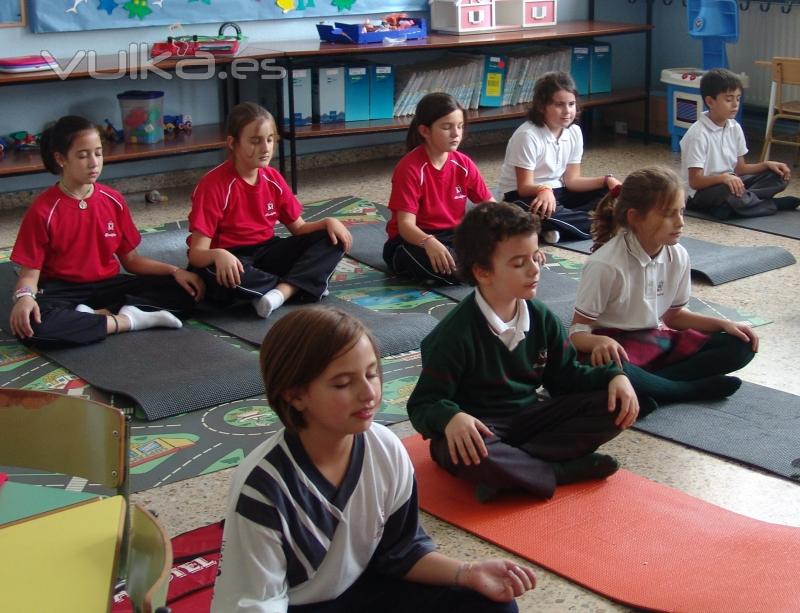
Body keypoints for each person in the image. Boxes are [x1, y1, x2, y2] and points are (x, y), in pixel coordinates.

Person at [211, 307, 537, 613]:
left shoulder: (384, 448)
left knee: (487, 602)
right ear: (295, 395)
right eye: (343, 383)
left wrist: (468, 572)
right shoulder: (263, 486)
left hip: (366, 588)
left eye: (372, 374)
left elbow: (401, 551)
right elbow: (254, 603)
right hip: (300, 606)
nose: (368, 393)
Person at [406, 202, 646, 504]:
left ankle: (515, 473)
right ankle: (558, 470)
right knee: (456, 451)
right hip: (481, 428)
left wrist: (614, 376)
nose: (534, 269)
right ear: (482, 272)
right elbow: (423, 404)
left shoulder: (542, 318)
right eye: (519, 263)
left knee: (612, 405)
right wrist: (451, 418)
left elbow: (567, 377)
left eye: (535, 257)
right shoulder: (454, 335)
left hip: (530, 418)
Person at [9, 115, 204, 348]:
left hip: (109, 286)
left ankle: (92, 316)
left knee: (187, 290)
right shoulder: (43, 210)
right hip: (63, 292)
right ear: (61, 159)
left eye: (98, 153)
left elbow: (131, 261)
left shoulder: (113, 200)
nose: (94, 163)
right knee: (31, 326)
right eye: (83, 155)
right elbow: (29, 275)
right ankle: (129, 319)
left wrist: (174, 271)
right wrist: (24, 298)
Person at [570, 166, 757, 405]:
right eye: (668, 214)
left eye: (681, 212)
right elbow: (577, 333)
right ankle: (685, 390)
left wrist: (725, 324)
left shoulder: (678, 255)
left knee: (742, 345)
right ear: (635, 217)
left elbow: (674, 317)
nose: (680, 222)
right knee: (607, 371)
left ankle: (654, 389)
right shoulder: (605, 264)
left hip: (656, 341)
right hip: (617, 348)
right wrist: (599, 341)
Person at [188, 102, 351, 318]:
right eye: (255, 141)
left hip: (266, 251)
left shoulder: (272, 178)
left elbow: (300, 228)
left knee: (333, 239)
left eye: (270, 139)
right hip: (230, 257)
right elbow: (197, 255)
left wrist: (327, 222)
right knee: (221, 277)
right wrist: (219, 254)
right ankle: (305, 284)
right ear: (232, 143)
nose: (265, 148)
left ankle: (280, 293)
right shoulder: (213, 185)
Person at [496, 71, 622, 243]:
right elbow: (524, 187)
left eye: (571, 104)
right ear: (542, 106)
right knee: (541, 211)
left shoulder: (574, 132)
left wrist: (606, 180)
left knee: (608, 194)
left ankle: (556, 227)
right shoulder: (527, 135)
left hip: (557, 193)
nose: (567, 111)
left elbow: (572, 181)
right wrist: (543, 189)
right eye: (559, 105)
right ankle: (604, 224)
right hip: (522, 197)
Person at [383, 92, 494, 285]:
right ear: (425, 131)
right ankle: (474, 272)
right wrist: (429, 242)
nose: (456, 134)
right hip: (412, 240)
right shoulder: (410, 168)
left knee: (500, 246)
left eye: (460, 127)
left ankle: (474, 270)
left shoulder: (463, 164)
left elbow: (492, 207)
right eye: (447, 127)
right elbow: (406, 226)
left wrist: (518, 236)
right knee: (449, 267)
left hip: (454, 236)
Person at [681, 68, 799, 219]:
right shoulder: (698, 134)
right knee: (728, 191)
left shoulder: (734, 127)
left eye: (738, 98)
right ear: (710, 101)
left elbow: (741, 169)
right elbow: (695, 181)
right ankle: (772, 205)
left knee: (778, 176)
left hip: (732, 182)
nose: (735, 104)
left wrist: (766, 164)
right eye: (729, 99)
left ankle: (732, 205)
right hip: (703, 192)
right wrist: (724, 178)